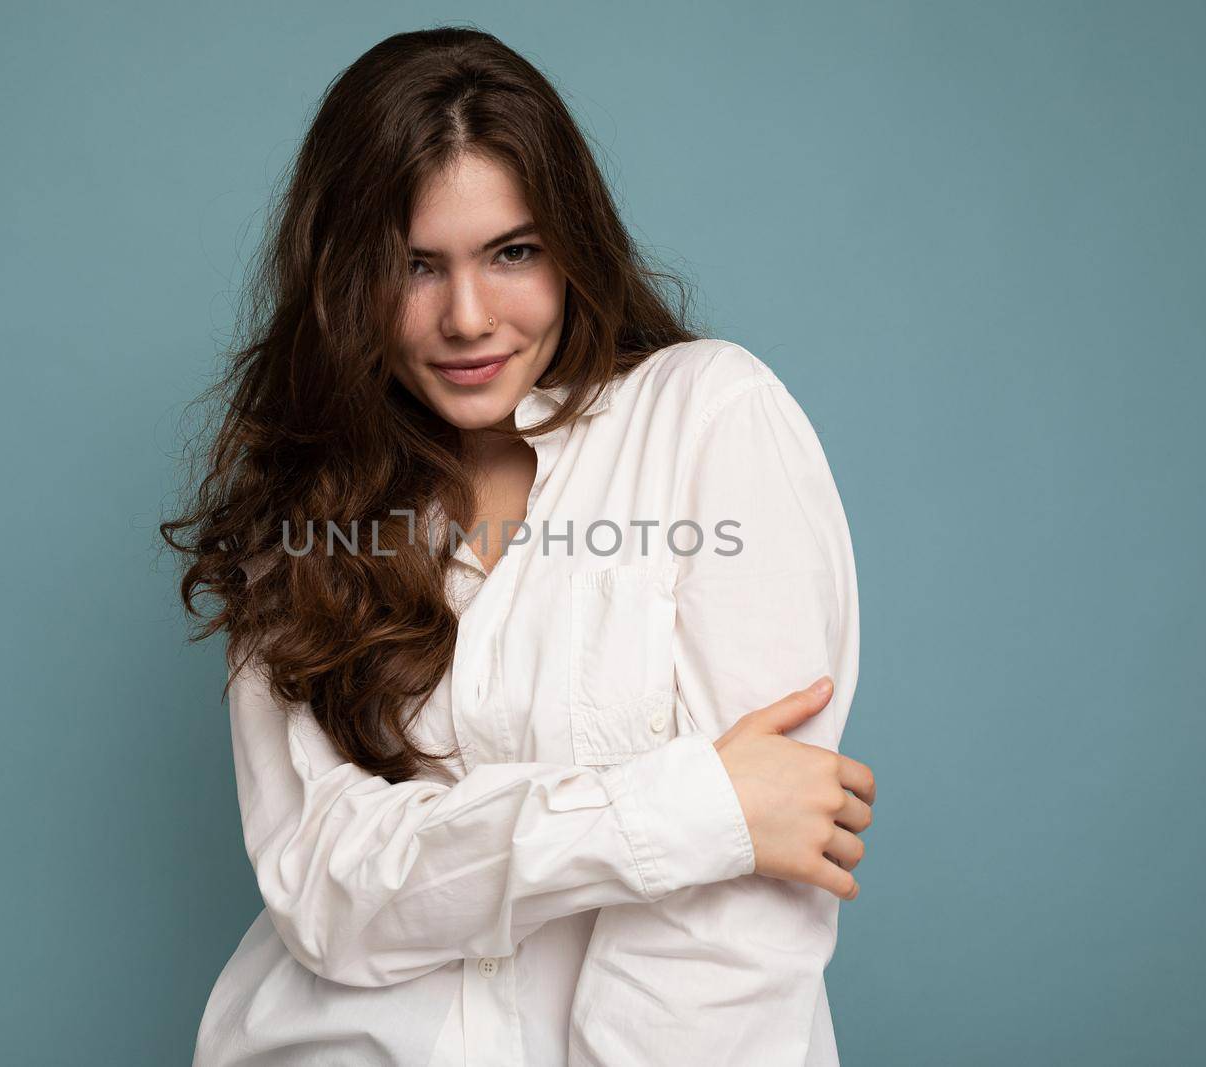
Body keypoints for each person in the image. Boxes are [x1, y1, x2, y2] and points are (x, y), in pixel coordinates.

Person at [164, 26, 876, 1067]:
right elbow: (325, 889)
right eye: (413, 265)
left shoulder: (708, 419)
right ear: (345, 278)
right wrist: (673, 810)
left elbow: (737, 924)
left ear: (573, 244)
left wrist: (469, 846)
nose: (466, 317)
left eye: (512, 252)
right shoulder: (305, 507)